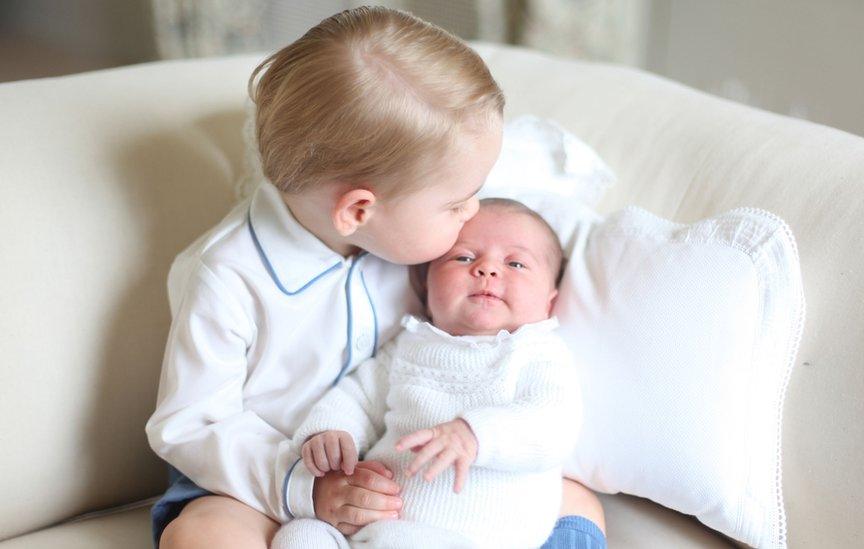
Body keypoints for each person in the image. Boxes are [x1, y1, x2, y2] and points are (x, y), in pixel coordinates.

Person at [146, 6, 605, 549]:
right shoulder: (228, 277)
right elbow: (190, 425)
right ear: (359, 212)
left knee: (577, 501)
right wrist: (304, 488)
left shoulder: (407, 227)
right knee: (202, 535)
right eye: (457, 204)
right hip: (264, 484)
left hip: (411, 481)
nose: (472, 211)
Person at [272, 199, 584, 548]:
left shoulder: (537, 352)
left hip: (468, 538)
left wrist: (475, 435)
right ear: (426, 284)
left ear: (550, 303)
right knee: (300, 534)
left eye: (516, 263)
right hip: (370, 527)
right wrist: (331, 431)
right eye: (464, 257)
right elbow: (359, 396)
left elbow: (555, 425)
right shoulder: (410, 344)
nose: (487, 270)